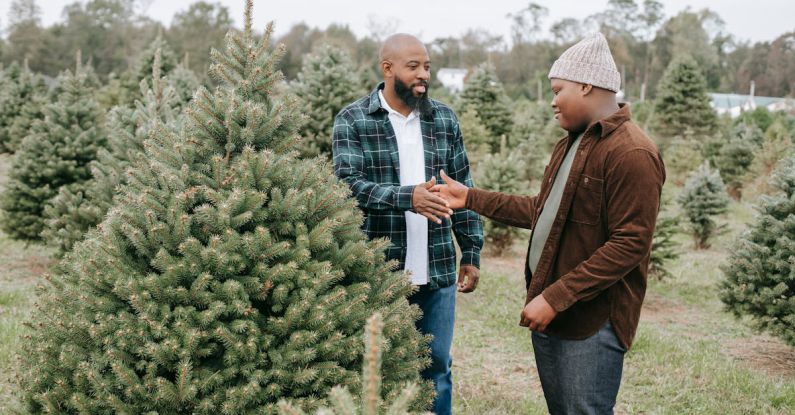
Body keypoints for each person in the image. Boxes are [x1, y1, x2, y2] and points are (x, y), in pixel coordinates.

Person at [431, 33, 665, 414]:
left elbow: (630, 244)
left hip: (591, 323)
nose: (553, 102)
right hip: (553, 313)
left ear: (587, 85)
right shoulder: (571, 143)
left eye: (558, 90)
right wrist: (469, 198)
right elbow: (544, 211)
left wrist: (554, 298)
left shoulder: (631, 152)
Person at [331, 33, 484, 415]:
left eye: (427, 66)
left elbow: (463, 189)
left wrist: (472, 250)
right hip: (379, 271)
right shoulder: (353, 120)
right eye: (413, 66)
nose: (423, 75)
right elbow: (347, 185)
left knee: (437, 366)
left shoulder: (443, 119)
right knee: (375, 369)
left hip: (437, 268)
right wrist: (407, 197)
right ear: (388, 69)